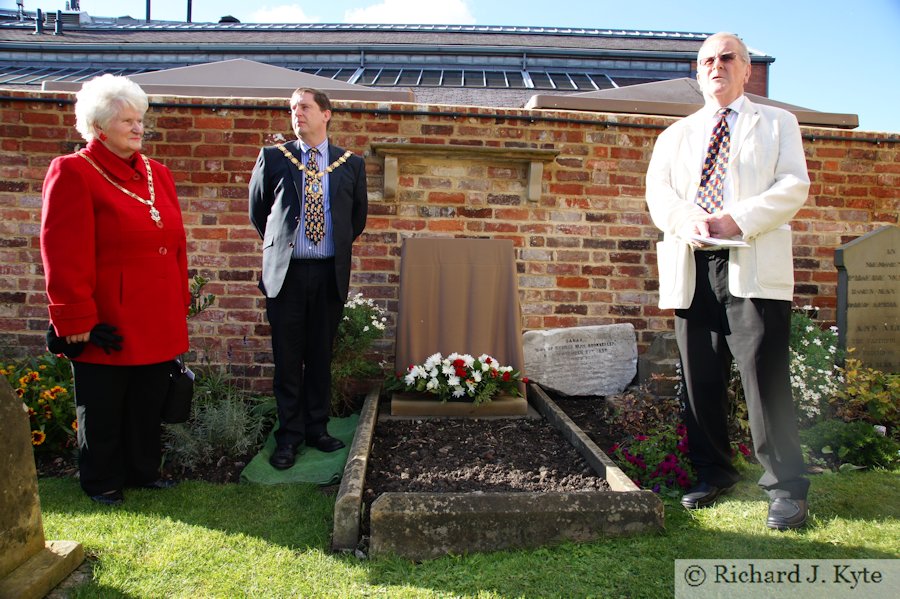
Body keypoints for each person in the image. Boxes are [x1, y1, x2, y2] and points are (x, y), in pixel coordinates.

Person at [645, 33, 811, 530]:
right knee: (701, 376)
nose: (716, 65)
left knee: (764, 378)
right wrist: (688, 221)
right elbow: (660, 194)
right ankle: (713, 472)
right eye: (707, 60)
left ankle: (786, 488)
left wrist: (736, 219)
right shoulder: (674, 135)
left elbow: (793, 185)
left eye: (727, 58)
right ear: (698, 73)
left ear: (746, 70)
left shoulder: (778, 123)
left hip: (753, 263)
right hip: (694, 263)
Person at [40, 74, 190, 505]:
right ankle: (101, 480)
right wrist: (75, 319)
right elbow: (62, 251)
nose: (139, 128)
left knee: (148, 400)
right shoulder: (72, 172)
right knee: (104, 405)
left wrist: (178, 303)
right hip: (108, 318)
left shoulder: (157, 173)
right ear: (100, 127)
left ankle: (144, 471)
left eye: (140, 119)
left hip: (156, 313)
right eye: (128, 120)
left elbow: (176, 246)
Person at [249, 88, 368, 469]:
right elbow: (259, 213)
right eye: (292, 108)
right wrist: (286, 249)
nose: (296, 114)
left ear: (326, 114)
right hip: (287, 277)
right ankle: (289, 437)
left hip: (329, 275)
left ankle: (317, 428)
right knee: (287, 360)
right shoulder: (273, 158)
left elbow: (356, 220)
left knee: (320, 357)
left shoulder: (351, 164)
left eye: (304, 107)